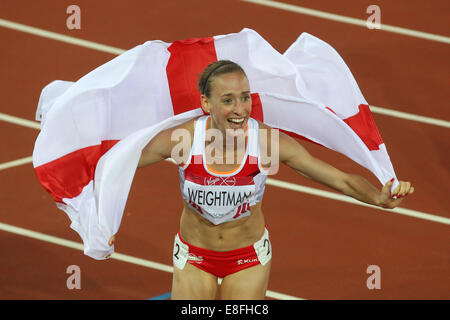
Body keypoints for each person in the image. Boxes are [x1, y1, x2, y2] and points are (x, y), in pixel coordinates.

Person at [108, 60, 414, 300]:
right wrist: (101, 221)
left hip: (248, 258)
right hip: (194, 256)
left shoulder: (267, 144)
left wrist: (377, 198)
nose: (240, 109)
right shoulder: (183, 141)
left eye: (244, 98)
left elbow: (340, 180)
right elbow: (114, 166)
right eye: (227, 100)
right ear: (206, 104)